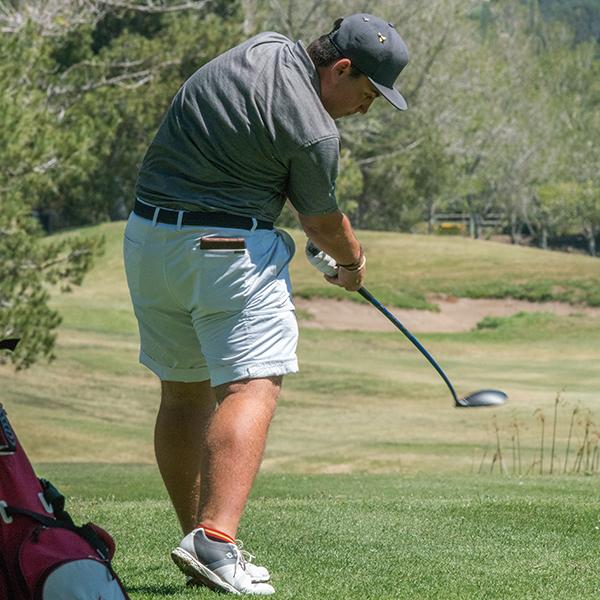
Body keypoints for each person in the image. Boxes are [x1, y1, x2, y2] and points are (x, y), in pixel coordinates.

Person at [123, 13, 408, 595]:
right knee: (254, 383)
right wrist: (351, 266)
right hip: (223, 249)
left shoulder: (265, 47)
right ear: (342, 68)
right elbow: (324, 222)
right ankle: (217, 541)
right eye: (368, 93)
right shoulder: (315, 130)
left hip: (146, 239)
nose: (366, 108)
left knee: (182, 391)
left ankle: (198, 541)